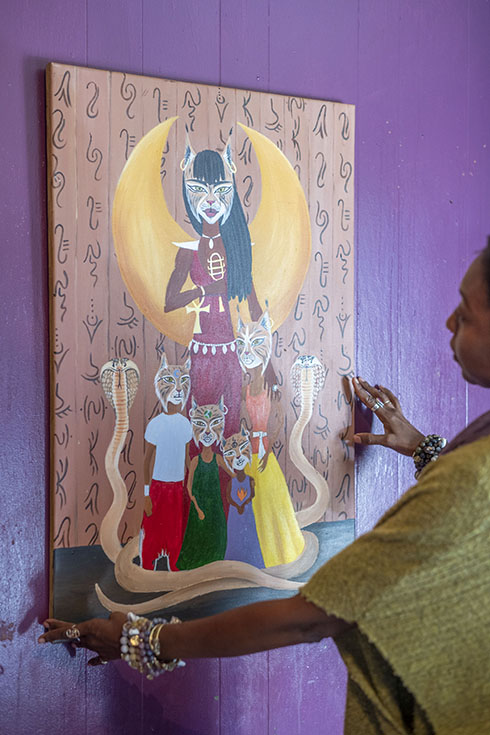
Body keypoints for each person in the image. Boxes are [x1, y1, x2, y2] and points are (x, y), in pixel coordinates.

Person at [39, 247, 490, 734]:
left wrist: (141, 640)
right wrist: (425, 450)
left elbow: (311, 617)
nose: (449, 321)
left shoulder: (471, 476)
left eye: (465, 311)